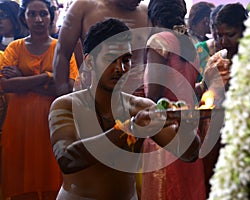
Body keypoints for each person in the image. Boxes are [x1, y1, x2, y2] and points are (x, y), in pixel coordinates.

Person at [49, 18, 200, 200]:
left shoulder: (140, 108)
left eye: (126, 60)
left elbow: (188, 154)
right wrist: (129, 130)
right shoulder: (66, 106)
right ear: (89, 62)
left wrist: (187, 127)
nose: (120, 68)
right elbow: (67, 160)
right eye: (110, 59)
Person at [0, 0, 78, 199]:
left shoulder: (62, 50)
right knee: (20, 187)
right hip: (19, 129)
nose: (38, 19)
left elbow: (66, 89)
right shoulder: (15, 49)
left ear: (51, 16)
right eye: (32, 14)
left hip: (53, 128)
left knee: (54, 184)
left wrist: (23, 79)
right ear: (23, 18)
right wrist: (47, 77)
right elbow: (6, 85)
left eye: (43, 14)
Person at [142, 0, 206, 199]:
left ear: (153, 17)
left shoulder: (159, 41)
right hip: (189, 128)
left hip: (165, 129)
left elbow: (153, 96)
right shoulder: (189, 44)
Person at [195, 3, 249, 197]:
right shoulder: (216, 59)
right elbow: (199, 94)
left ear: (245, 32)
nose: (223, 41)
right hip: (212, 139)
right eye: (218, 35)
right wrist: (204, 84)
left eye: (230, 34)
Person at [53, 0, 149, 96]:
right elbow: (62, 54)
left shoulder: (146, 12)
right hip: (93, 99)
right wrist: (63, 95)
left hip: (136, 98)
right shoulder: (83, 7)